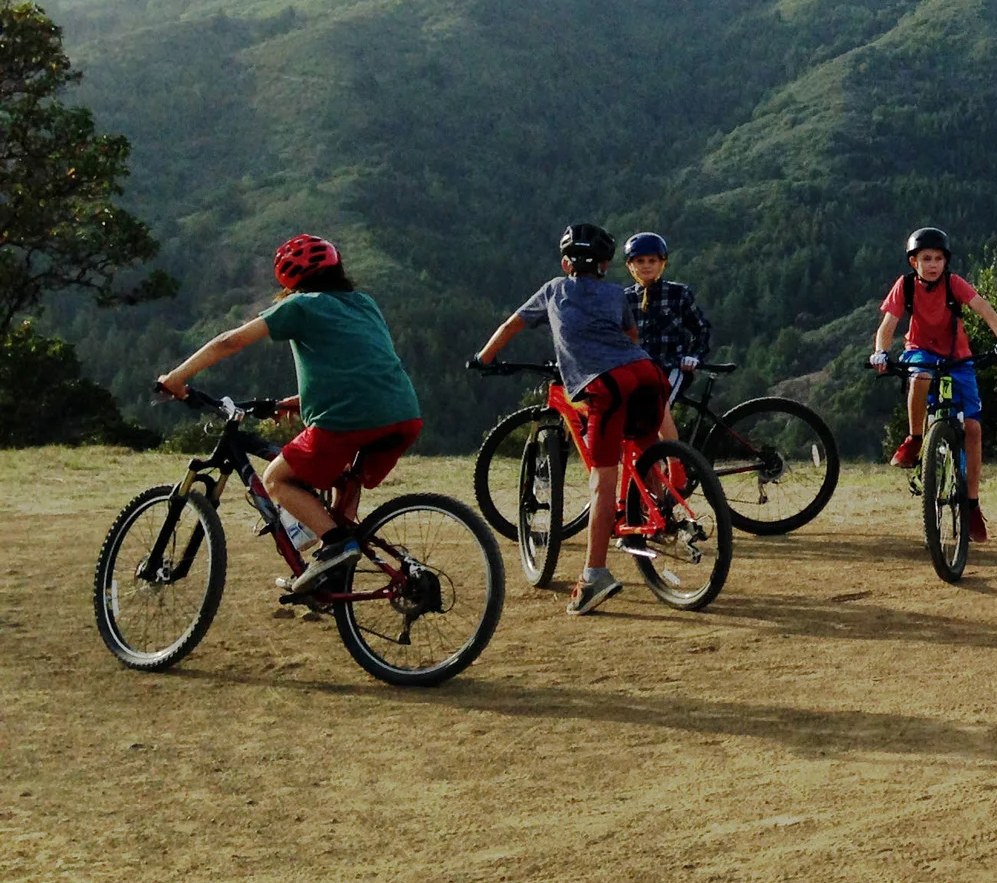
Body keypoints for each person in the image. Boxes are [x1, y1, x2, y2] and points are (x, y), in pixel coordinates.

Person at [157, 235, 424, 597]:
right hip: (403, 412)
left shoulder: (300, 305)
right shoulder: (364, 303)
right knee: (345, 479)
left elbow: (229, 341)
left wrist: (176, 379)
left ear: (290, 281)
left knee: (276, 478)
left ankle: (335, 545)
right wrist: (302, 400)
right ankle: (335, 571)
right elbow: (364, 365)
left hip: (347, 418)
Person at [473, 223, 670, 617]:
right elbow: (631, 336)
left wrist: (484, 358)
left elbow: (512, 324)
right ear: (605, 265)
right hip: (647, 372)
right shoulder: (616, 294)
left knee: (602, 480)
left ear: (566, 264)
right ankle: (664, 514)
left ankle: (595, 575)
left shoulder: (553, 289)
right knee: (644, 445)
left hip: (605, 382)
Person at [870, 226, 997, 543]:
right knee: (920, 376)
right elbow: (887, 325)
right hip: (920, 351)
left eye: (938, 258)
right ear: (914, 262)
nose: (933, 264)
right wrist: (881, 352)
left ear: (945, 261)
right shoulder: (905, 286)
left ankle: (972, 505)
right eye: (926, 258)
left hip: (957, 357)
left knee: (973, 429)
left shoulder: (954, 284)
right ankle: (915, 438)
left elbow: (983, 308)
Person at [622, 231, 713, 444]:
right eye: (640, 261)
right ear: (630, 266)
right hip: (639, 370)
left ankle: (675, 461)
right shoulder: (624, 299)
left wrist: (694, 356)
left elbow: (701, 328)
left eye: (652, 261)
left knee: (658, 407)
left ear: (662, 263)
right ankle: (648, 461)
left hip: (672, 367)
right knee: (630, 415)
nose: (646, 266)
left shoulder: (678, 294)